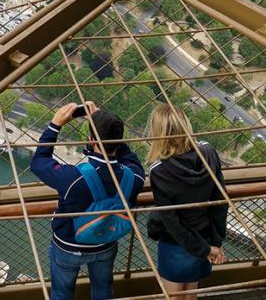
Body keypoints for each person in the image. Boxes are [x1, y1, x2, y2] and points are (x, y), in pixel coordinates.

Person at [31, 102, 145, 300]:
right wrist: (107, 129)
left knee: (61, 293)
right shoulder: (134, 177)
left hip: (68, 244)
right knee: (103, 292)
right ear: (118, 142)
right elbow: (131, 160)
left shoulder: (73, 178)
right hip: (106, 242)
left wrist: (55, 125)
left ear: (91, 140)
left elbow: (39, 162)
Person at [145, 104, 228, 300]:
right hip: (205, 236)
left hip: (177, 242)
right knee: (191, 294)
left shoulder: (159, 171)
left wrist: (205, 248)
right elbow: (220, 202)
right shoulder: (208, 152)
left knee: (173, 296)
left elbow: (171, 221)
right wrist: (213, 244)